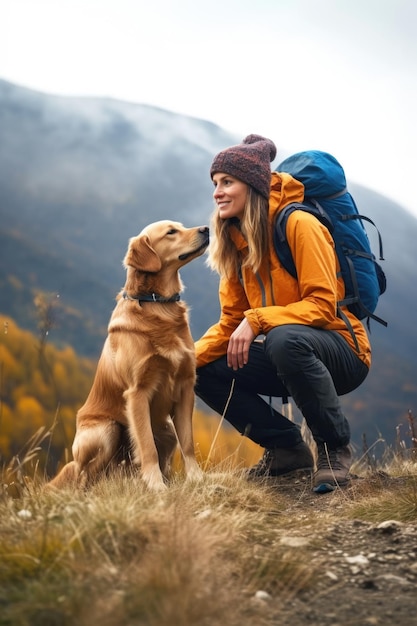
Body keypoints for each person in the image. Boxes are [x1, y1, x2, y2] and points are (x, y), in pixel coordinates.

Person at [194, 134, 371, 493]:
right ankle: (286, 449)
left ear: (253, 186)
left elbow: (322, 305)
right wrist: (178, 363)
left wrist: (258, 319)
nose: (218, 192)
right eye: (215, 184)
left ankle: (332, 449)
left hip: (342, 350)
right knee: (199, 369)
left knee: (282, 337)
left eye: (227, 182)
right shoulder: (235, 240)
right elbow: (231, 321)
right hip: (287, 352)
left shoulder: (298, 225)